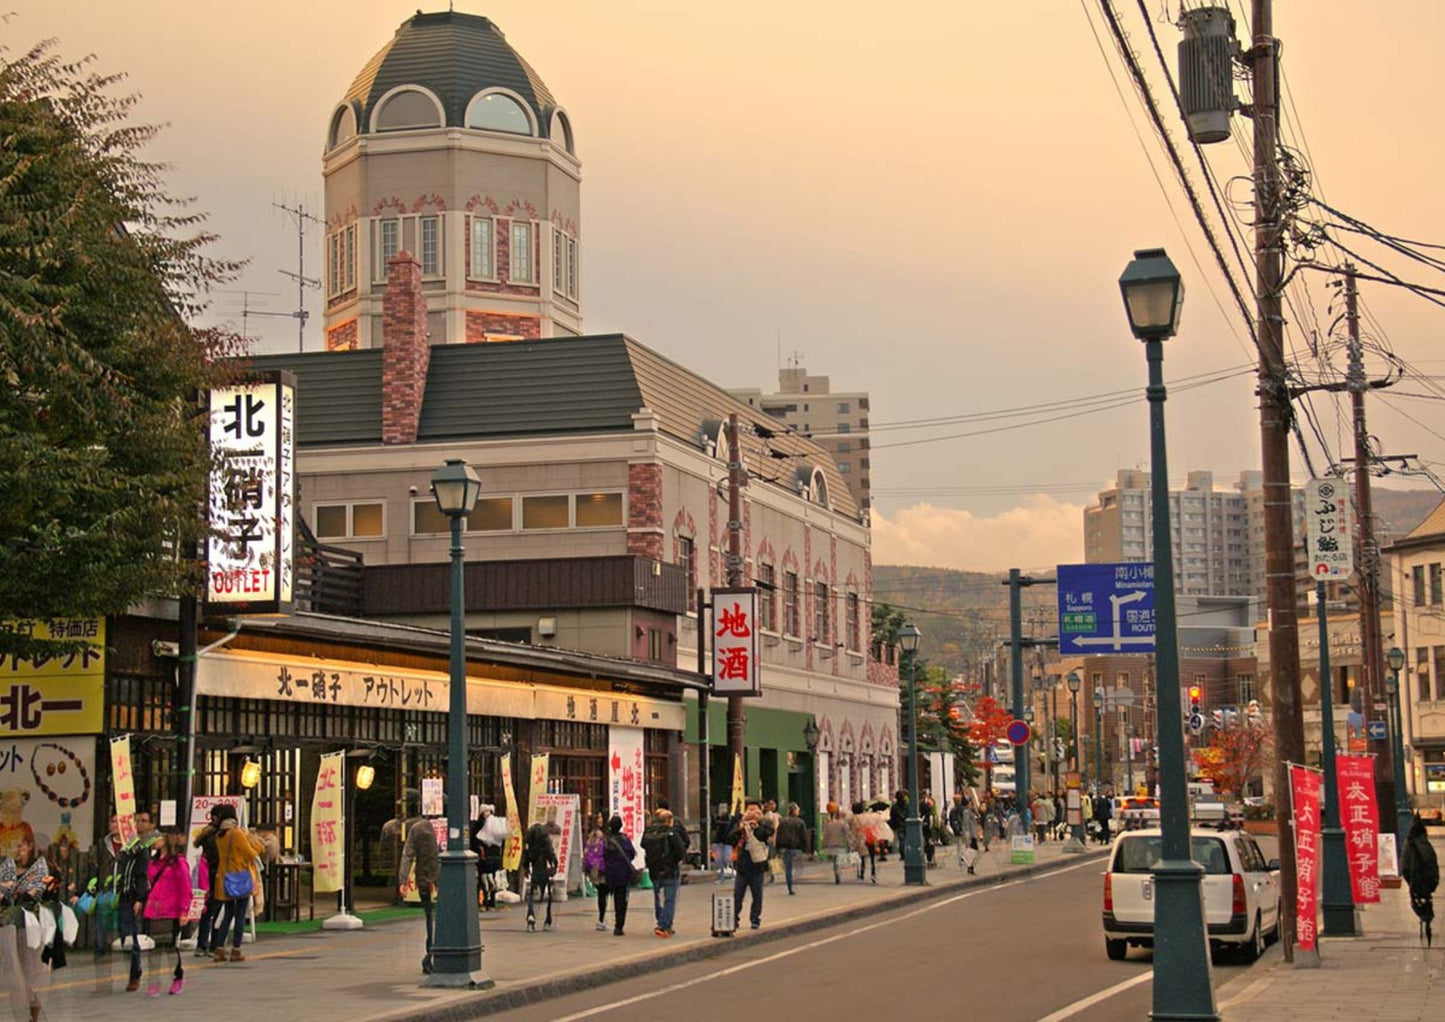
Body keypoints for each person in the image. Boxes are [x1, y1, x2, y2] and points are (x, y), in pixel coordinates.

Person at [0, 835, 51, 1021]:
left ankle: (34, 1013)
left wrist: (11, 889)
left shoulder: (39, 867)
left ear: (30, 847)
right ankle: (25, 1013)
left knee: (30, 973)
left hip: (32, 923)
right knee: (15, 971)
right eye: (16, 846)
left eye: (21, 846)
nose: (18, 850)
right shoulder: (9, 866)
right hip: (13, 922)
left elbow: (35, 892)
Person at [209, 804, 264, 962]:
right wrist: (258, 845)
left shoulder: (219, 835)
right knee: (240, 915)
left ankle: (219, 948)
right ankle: (236, 949)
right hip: (240, 878)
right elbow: (250, 853)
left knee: (228, 914)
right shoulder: (238, 833)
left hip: (224, 878)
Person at [144, 829, 193, 996]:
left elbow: (186, 887)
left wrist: (184, 910)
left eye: (158, 837)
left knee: (171, 947)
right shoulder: (153, 861)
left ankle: (177, 977)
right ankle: (153, 981)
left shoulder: (178, 862)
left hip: (172, 910)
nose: (155, 840)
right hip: (154, 910)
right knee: (154, 948)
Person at [397, 793, 440, 970]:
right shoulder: (438, 826)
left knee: (431, 918)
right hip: (438, 879)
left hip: (427, 879)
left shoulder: (418, 828)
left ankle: (430, 955)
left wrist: (403, 879)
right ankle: (432, 955)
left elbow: (408, 854)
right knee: (436, 918)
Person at [727, 801, 773, 930]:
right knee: (737, 895)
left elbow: (768, 834)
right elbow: (730, 840)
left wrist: (757, 827)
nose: (752, 813)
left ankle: (755, 919)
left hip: (757, 866)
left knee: (757, 895)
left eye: (755, 810)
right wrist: (740, 828)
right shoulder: (740, 825)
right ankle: (734, 919)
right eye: (749, 810)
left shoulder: (764, 824)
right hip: (742, 866)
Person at [641, 808, 686, 937]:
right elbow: (680, 851)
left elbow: (643, 845)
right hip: (670, 870)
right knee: (670, 899)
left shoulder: (649, 832)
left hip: (654, 871)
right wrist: (674, 861)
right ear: (668, 821)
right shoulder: (671, 833)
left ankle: (664, 924)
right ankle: (663, 925)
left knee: (658, 898)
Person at [191, 805, 224, 958]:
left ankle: (202, 944)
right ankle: (214, 945)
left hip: (208, 875)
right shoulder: (221, 834)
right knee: (218, 912)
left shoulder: (207, 832)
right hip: (218, 874)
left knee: (208, 911)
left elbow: (197, 844)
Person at [1401, 815, 1440, 947]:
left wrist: (1409, 880)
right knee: (1426, 898)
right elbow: (1432, 862)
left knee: (1416, 900)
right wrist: (1434, 880)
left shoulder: (1408, 843)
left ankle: (1422, 918)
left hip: (1415, 879)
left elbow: (1404, 865)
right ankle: (1427, 918)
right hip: (1427, 879)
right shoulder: (1425, 843)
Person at [600, 816, 637, 936]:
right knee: (621, 899)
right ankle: (618, 926)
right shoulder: (624, 839)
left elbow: (602, 854)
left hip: (610, 872)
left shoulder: (605, 839)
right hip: (623, 873)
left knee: (610, 896)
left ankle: (602, 918)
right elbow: (631, 854)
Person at [523, 822, 558, 932]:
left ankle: (530, 917)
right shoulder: (545, 842)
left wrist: (526, 867)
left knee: (532, 894)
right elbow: (551, 855)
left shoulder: (529, 842)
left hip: (535, 870)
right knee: (548, 895)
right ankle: (547, 919)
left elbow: (526, 854)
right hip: (544, 870)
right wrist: (554, 866)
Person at [473, 804, 506, 911]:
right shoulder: (480, 824)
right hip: (483, 857)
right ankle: (481, 902)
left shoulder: (494, 824)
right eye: (485, 812)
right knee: (483, 881)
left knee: (492, 880)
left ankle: (490, 903)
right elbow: (475, 840)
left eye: (489, 811)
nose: (487, 814)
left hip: (493, 855)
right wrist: (480, 851)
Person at [584, 813, 610, 931]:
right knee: (604, 894)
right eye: (599, 817)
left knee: (601, 894)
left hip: (594, 867)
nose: (601, 820)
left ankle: (601, 919)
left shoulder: (591, 835)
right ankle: (601, 919)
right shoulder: (601, 835)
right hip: (602, 866)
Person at [774, 803, 808, 894]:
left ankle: (790, 886)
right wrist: (806, 849)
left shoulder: (783, 822)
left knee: (788, 868)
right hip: (796, 848)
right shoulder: (800, 822)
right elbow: (804, 836)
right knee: (797, 867)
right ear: (795, 811)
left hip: (785, 848)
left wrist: (777, 848)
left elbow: (778, 835)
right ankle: (794, 884)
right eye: (797, 810)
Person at [820, 803, 851, 884]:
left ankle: (836, 873)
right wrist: (849, 845)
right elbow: (847, 835)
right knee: (839, 861)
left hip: (831, 845)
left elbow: (825, 835)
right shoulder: (843, 824)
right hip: (840, 845)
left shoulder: (829, 824)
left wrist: (824, 845)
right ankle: (838, 873)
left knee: (835, 862)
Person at [710, 804, 735, 883]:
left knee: (727, 858)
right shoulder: (724, 818)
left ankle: (730, 874)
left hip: (727, 841)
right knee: (720, 860)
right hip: (720, 841)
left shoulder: (735, 818)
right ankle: (722, 876)